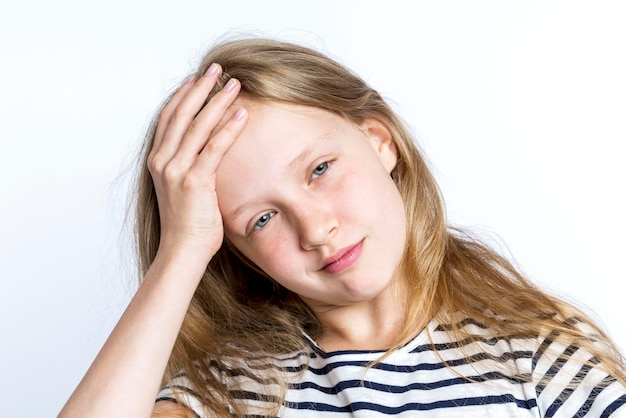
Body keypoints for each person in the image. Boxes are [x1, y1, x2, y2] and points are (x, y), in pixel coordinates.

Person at [59, 37, 626, 417]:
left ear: (380, 142)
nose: (316, 228)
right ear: (229, 247)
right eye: (261, 218)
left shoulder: (537, 359)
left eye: (320, 170)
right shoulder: (234, 392)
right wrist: (181, 250)